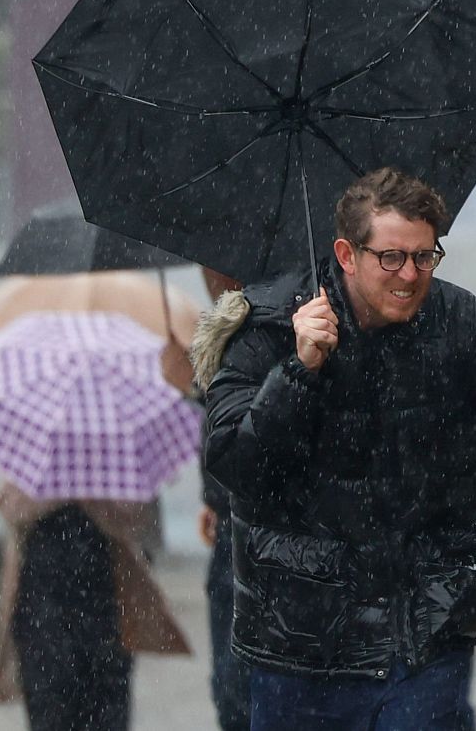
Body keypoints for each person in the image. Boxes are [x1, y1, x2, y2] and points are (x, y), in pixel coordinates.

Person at [201, 167, 476, 730]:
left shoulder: (458, 320)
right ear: (347, 255)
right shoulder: (268, 324)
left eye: (425, 257)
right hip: (302, 644)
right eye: (391, 258)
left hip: (422, 636)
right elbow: (236, 466)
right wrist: (298, 372)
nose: (409, 276)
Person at [0, 482, 189, 731]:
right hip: (42, 604)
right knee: (51, 708)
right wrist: (55, 495)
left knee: (105, 708)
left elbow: (143, 523)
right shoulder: (33, 459)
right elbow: (9, 506)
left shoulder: (116, 466)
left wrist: (97, 499)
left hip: (106, 605)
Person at [191, 267, 251, 731]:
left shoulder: (265, 322)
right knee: (231, 691)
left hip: (260, 533)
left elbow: (247, 437)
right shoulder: (220, 329)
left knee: (242, 691)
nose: (203, 272)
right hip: (232, 531)